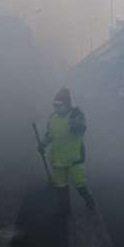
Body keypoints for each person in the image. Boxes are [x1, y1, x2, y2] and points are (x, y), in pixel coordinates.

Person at [38, 88, 95, 217]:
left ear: (67, 104)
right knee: (61, 186)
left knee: (79, 183)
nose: (57, 107)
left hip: (74, 158)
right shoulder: (52, 117)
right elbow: (49, 134)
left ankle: (88, 198)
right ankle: (64, 208)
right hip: (58, 158)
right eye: (55, 105)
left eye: (60, 104)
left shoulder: (77, 114)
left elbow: (81, 130)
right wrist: (42, 144)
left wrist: (73, 120)